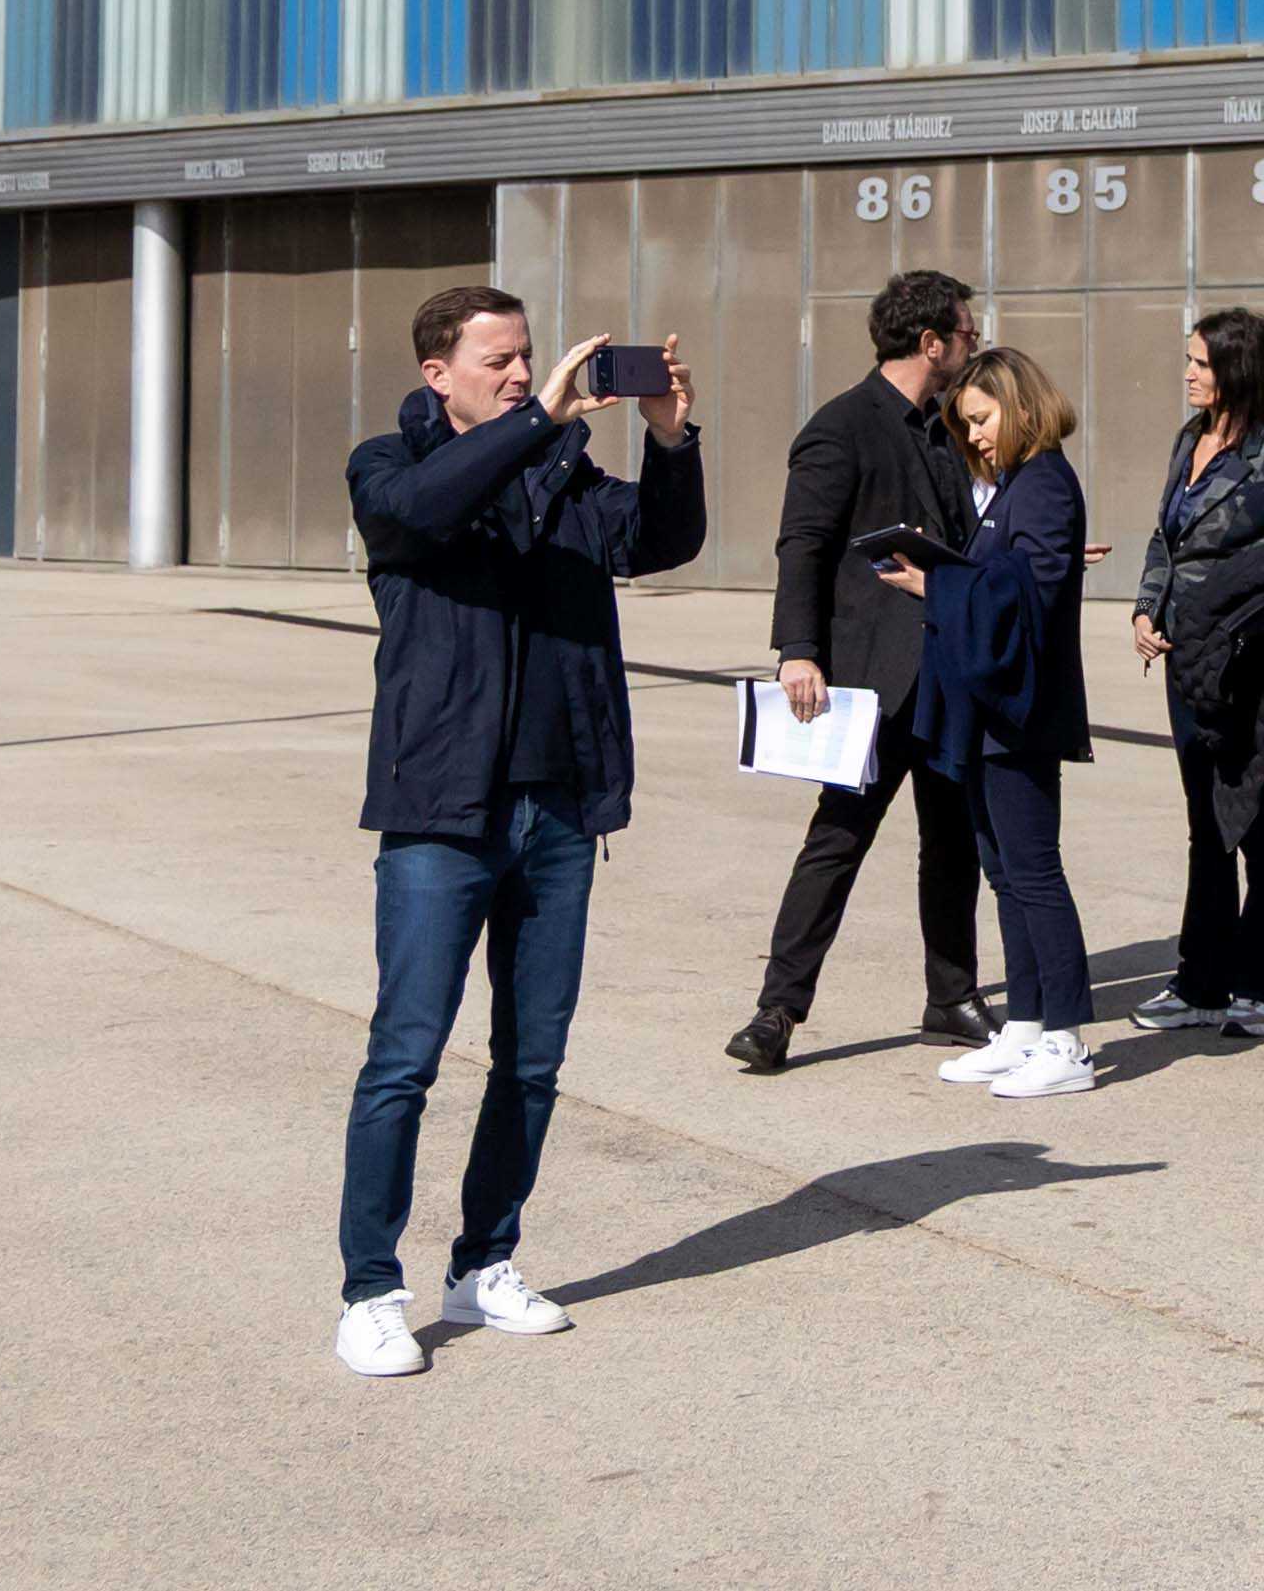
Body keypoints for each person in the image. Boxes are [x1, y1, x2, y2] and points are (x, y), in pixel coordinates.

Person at [333, 285, 704, 1378]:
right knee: (404, 1056)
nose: (519, 373)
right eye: (496, 359)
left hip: (557, 807)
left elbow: (661, 540)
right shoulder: (388, 467)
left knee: (531, 1059)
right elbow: (426, 513)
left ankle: (484, 1261)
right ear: (435, 372)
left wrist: (669, 442)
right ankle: (369, 1291)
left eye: (527, 357)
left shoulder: (561, 471)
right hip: (441, 810)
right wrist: (535, 421)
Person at [725, 270, 993, 1072]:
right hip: (871, 680)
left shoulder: (946, 427)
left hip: (945, 672)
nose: (975, 344)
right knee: (836, 841)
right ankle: (777, 1010)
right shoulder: (840, 426)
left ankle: (950, 998)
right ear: (930, 342)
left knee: (952, 845)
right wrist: (797, 649)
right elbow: (801, 543)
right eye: (967, 332)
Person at [887, 345, 1101, 1100]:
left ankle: (1067, 1041)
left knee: (1034, 873)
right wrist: (948, 576)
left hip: (1019, 710)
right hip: (989, 710)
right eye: (966, 424)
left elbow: (1031, 588)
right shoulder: (1015, 484)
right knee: (1005, 873)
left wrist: (936, 582)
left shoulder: (1042, 483)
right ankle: (1026, 1025)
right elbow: (1003, 577)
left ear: (1020, 406)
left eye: (980, 419)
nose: (973, 436)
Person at [1126, 307, 1264, 1036]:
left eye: (1200, 362)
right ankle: (1199, 983)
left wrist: (1243, 629)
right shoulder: (1189, 439)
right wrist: (1147, 609)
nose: (1188, 373)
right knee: (1205, 820)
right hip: (1184, 664)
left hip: (1243, 668)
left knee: (1254, 820)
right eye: (1188, 360)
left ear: (1236, 367)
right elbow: (1164, 539)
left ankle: (1259, 986)